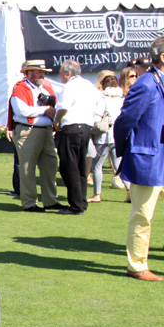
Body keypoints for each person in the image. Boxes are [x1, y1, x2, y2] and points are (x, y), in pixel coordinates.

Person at [114, 35, 164, 281]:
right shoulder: (146, 83)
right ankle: (137, 266)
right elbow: (125, 121)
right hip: (148, 158)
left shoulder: (158, 82)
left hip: (160, 157)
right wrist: (128, 153)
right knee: (142, 214)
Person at [9, 59, 60, 212]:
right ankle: (30, 202)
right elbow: (21, 110)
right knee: (27, 168)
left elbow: (55, 105)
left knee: (50, 166)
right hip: (28, 130)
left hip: (46, 130)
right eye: (39, 72)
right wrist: (44, 110)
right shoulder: (20, 88)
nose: (42, 75)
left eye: (44, 72)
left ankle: (50, 200)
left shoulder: (46, 87)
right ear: (29, 73)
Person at [52, 60, 102, 215]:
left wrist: (56, 120)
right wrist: (93, 118)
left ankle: (76, 205)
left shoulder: (69, 86)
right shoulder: (89, 85)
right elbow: (101, 103)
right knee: (80, 167)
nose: (60, 77)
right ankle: (81, 201)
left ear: (68, 73)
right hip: (85, 128)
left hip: (71, 128)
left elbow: (63, 107)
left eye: (61, 73)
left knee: (69, 167)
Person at [90, 74, 125, 202]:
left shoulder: (102, 98)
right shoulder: (122, 99)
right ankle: (129, 192)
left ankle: (97, 194)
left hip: (104, 136)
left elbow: (98, 116)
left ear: (103, 85)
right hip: (118, 136)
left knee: (97, 166)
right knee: (119, 166)